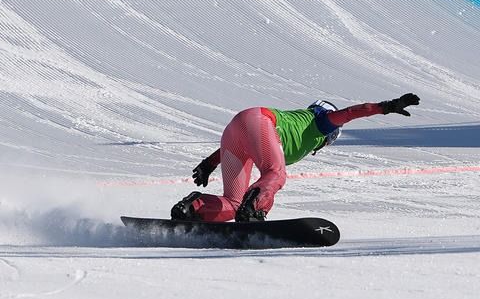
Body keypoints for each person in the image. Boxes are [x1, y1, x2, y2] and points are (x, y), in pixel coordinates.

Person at [172, 93, 420, 222]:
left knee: (234, 203)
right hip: (262, 121)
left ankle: (194, 208)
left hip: (237, 128)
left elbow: (244, 138)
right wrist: (387, 106)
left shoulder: (303, 122)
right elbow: (351, 113)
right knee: (276, 174)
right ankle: (254, 210)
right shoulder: (320, 122)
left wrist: (210, 163)